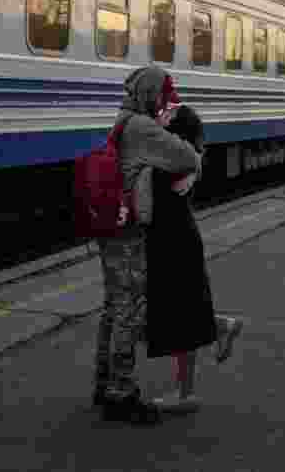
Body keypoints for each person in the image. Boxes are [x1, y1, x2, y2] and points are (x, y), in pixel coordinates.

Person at [93, 66, 201, 424]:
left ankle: (104, 382)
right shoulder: (142, 127)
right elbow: (187, 157)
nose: (163, 102)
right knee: (127, 309)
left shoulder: (124, 118)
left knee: (113, 307)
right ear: (150, 94)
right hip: (126, 233)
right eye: (161, 95)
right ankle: (121, 393)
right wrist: (175, 129)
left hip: (110, 227)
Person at [145, 104, 244, 412]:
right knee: (181, 311)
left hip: (173, 241)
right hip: (179, 237)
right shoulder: (187, 156)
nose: (160, 116)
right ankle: (220, 326)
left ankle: (185, 394)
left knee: (180, 315)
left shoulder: (172, 161)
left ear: (176, 128)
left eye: (166, 116)